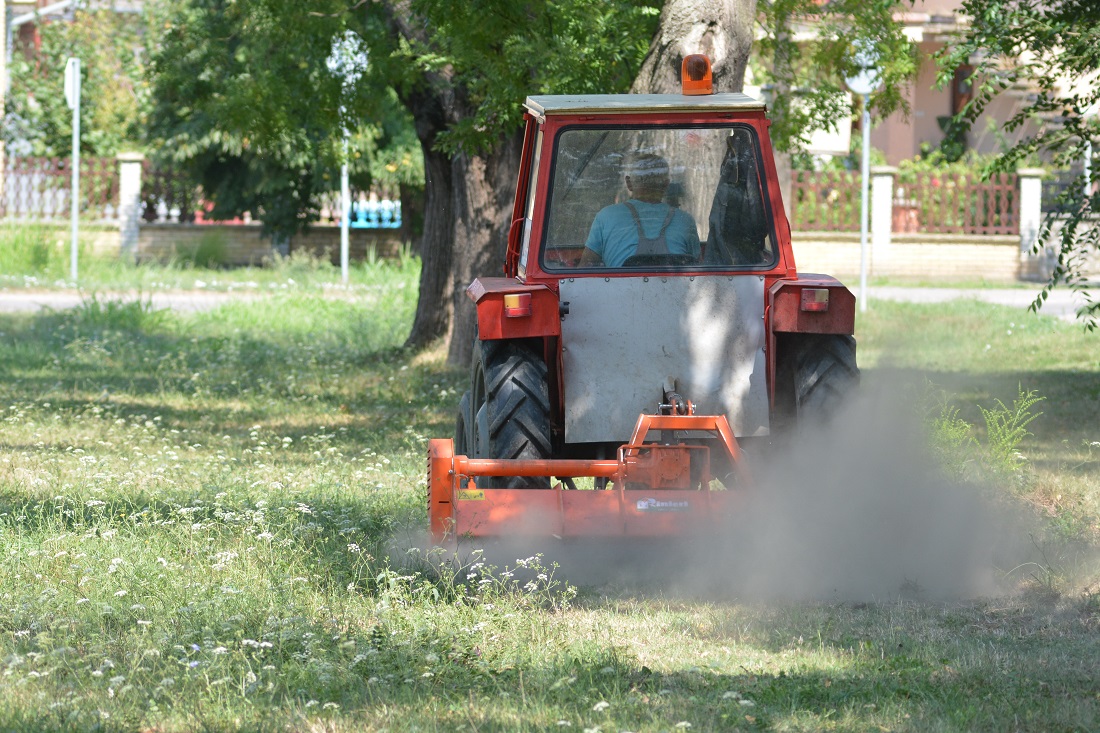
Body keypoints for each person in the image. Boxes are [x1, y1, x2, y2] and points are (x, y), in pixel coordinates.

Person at [580, 153, 701, 267]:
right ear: (666, 185)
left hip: (620, 289)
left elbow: (584, 270)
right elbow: (698, 268)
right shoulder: (685, 220)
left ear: (629, 183)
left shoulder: (605, 216)